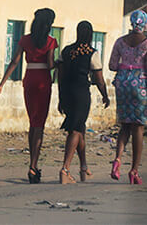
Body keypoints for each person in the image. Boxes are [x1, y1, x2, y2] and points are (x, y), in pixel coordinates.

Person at [0, 8, 58, 182]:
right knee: (40, 125)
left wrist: (1, 85)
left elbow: (14, 61)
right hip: (43, 81)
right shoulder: (50, 42)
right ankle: (33, 166)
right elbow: (50, 65)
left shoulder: (25, 40)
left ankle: (32, 165)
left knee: (32, 122)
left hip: (29, 79)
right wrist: (59, 63)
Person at [108, 9, 147, 185]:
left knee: (125, 125)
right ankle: (134, 170)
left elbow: (111, 65)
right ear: (145, 23)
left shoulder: (120, 42)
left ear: (132, 23)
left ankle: (117, 159)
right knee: (138, 128)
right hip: (140, 85)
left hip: (122, 85)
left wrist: (126, 67)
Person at [56, 21, 110, 183]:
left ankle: (83, 168)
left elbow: (60, 75)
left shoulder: (66, 51)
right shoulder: (92, 53)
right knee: (75, 131)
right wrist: (105, 95)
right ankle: (65, 169)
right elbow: (99, 79)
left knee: (80, 129)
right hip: (81, 95)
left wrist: (60, 97)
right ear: (91, 34)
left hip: (67, 93)